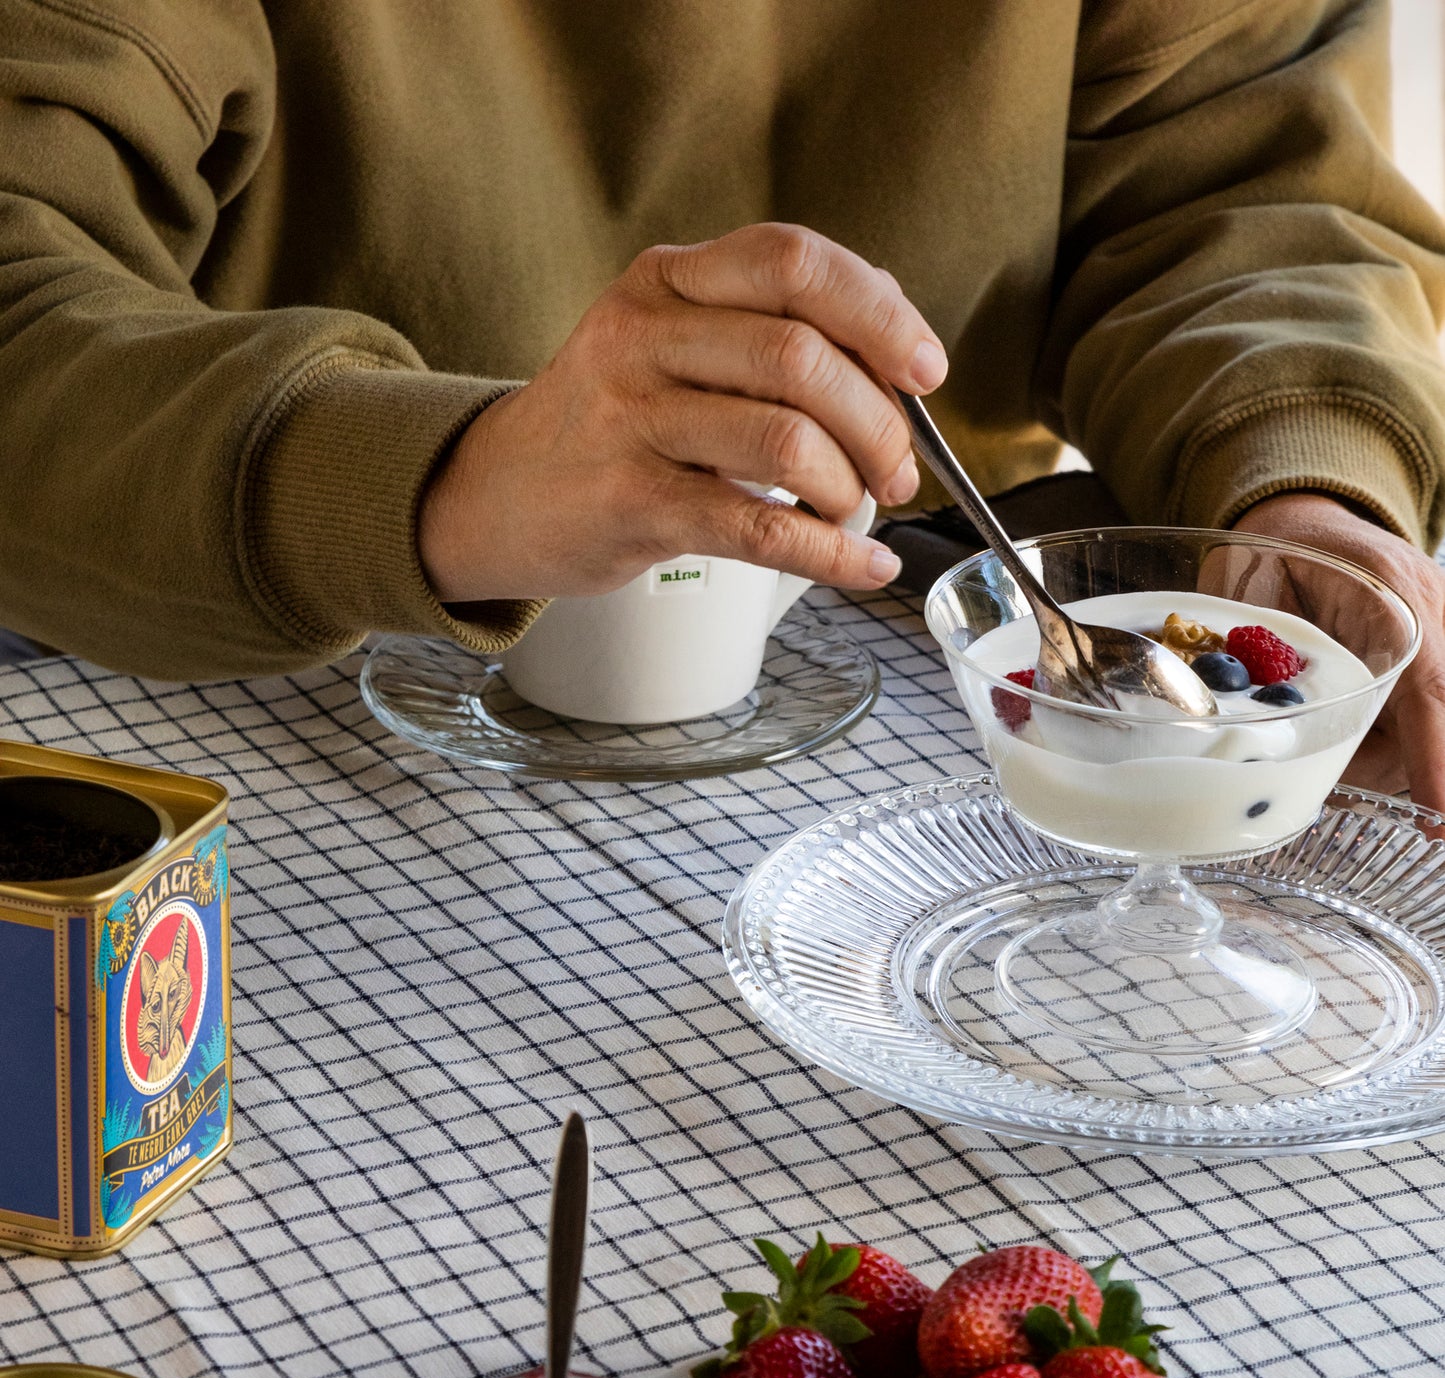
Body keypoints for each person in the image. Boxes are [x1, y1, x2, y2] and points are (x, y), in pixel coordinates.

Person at [2, 1, 1444, 805]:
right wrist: (441, 478)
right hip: (221, 698)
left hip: (925, 693)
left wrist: (1301, 492)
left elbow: (1236, 167)